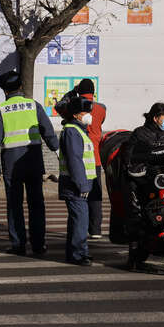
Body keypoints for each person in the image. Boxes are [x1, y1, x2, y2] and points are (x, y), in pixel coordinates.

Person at [0, 70, 59, 256]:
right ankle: (38, 245)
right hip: (33, 159)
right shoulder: (34, 106)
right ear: (20, 87)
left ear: (4, 91)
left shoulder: (0, 110)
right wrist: (55, 148)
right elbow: (49, 133)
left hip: (11, 163)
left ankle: (18, 244)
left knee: (14, 204)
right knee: (36, 203)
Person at [121, 102, 164, 270]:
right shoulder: (140, 133)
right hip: (146, 183)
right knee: (137, 218)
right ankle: (134, 255)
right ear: (156, 118)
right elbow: (128, 156)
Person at [58, 96, 96, 266]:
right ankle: (78, 254)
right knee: (80, 220)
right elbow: (75, 160)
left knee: (77, 220)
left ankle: (76, 252)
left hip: (80, 184)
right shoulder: (72, 131)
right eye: (85, 112)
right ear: (76, 115)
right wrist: (81, 184)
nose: (88, 115)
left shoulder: (78, 130)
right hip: (75, 185)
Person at [75, 79, 107, 239]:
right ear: (93, 92)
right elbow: (101, 121)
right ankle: (95, 230)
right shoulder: (102, 108)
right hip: (95, 157)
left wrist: (72, 94)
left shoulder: (74, 106)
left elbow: (59, 107)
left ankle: (79, 228)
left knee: (78, 194)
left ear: (79, 91)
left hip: (78, 156)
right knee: (95, 194)